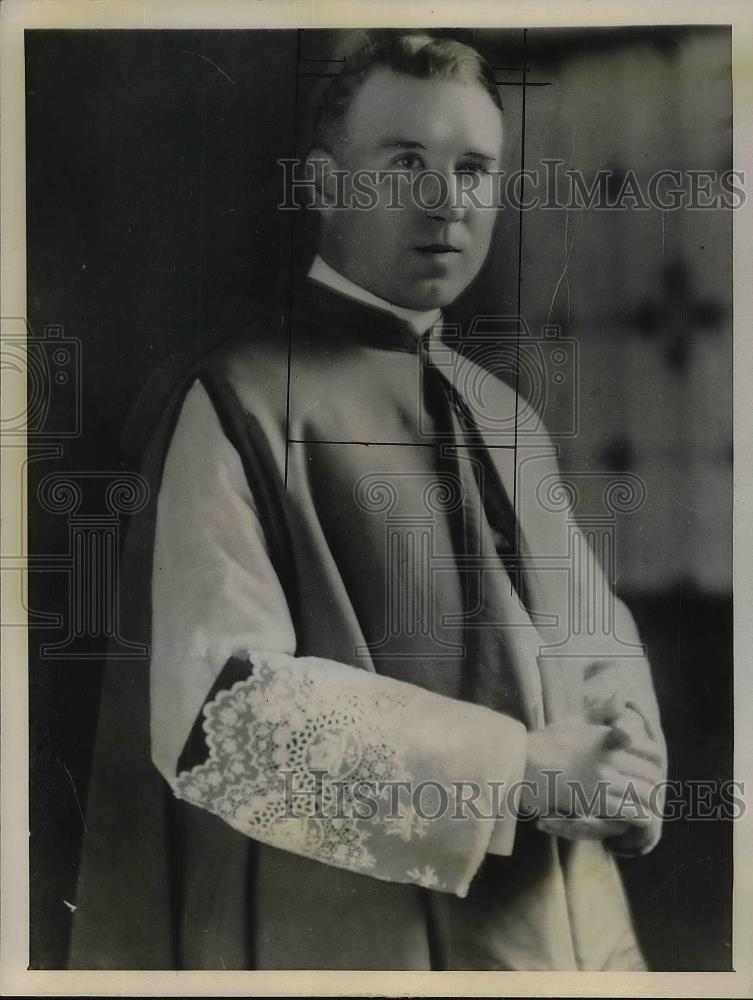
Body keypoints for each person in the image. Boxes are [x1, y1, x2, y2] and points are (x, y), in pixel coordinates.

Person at [70, 32, 667, 971]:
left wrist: (626, 741)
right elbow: (219, 721)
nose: (445, 202)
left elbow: (589, 634)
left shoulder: (500, 409)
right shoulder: (235, 401)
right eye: (404, 164)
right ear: (320, 182)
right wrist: (519, 772)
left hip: (550, 928)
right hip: (347, 941)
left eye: (473, 169)